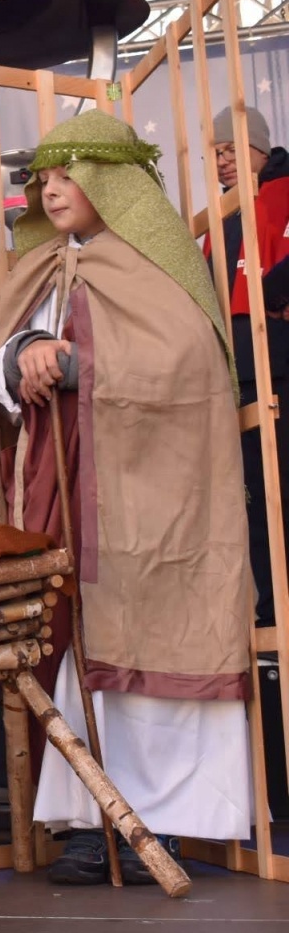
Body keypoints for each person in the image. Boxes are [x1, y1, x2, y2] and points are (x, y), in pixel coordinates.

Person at [0, 110, 253, 886]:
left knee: (162, 641)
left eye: (69, 175)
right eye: (44, 180)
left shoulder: (157, 265)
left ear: (114, 181)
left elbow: (191, 368)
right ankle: (93, 820)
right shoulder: (42, 268)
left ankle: (166, 821)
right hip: (67, 489)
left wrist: (79, 366)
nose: (52, 191)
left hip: (158, 495)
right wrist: (23, 353)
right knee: (77, 641)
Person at [203, 106, 289, 626]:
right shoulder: (222, 215)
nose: (224, 160)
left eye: (232, 148)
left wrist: (269, 297)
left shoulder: (282, 191)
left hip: (280, 366)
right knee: (254, 500)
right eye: (216, 153)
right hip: (237, 377)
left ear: (258, 144)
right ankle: (271, 612)